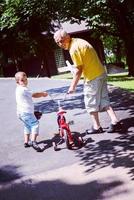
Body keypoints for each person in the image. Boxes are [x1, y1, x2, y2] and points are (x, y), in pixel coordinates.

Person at [54, 29, 121, 133]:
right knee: (104, 99)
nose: (59, 44)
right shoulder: (79, 41)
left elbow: (78, 70)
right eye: (57, 42)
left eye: (61, 40)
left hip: (92, 77)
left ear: (67, 37)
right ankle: (115, 121)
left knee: (90, 103)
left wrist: (72, 87)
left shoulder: (73, 49)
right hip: (100, 73)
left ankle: (96, 127)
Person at [15, 71, 48, 151]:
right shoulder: (24, 89)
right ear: (17, 82)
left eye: (26, 79)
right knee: (35, 124)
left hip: (20, 113)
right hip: (26, 112)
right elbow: (34, 94)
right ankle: (33, 141)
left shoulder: (18, 89)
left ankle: (26, 142)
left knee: (27, 125)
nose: (25, 82)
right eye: (22, 80)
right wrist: (42, 94)